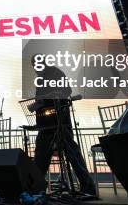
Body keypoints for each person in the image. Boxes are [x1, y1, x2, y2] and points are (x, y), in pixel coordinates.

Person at [32, 62, 96, 196]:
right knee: (41, 155)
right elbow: (40, 98)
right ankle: (37, 188)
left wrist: (51, 95)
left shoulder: (56, 73)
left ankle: (88, 187)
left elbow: (67, 90)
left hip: (60, 121)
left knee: (71, 152)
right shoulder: (41, 78)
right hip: (46, 123)